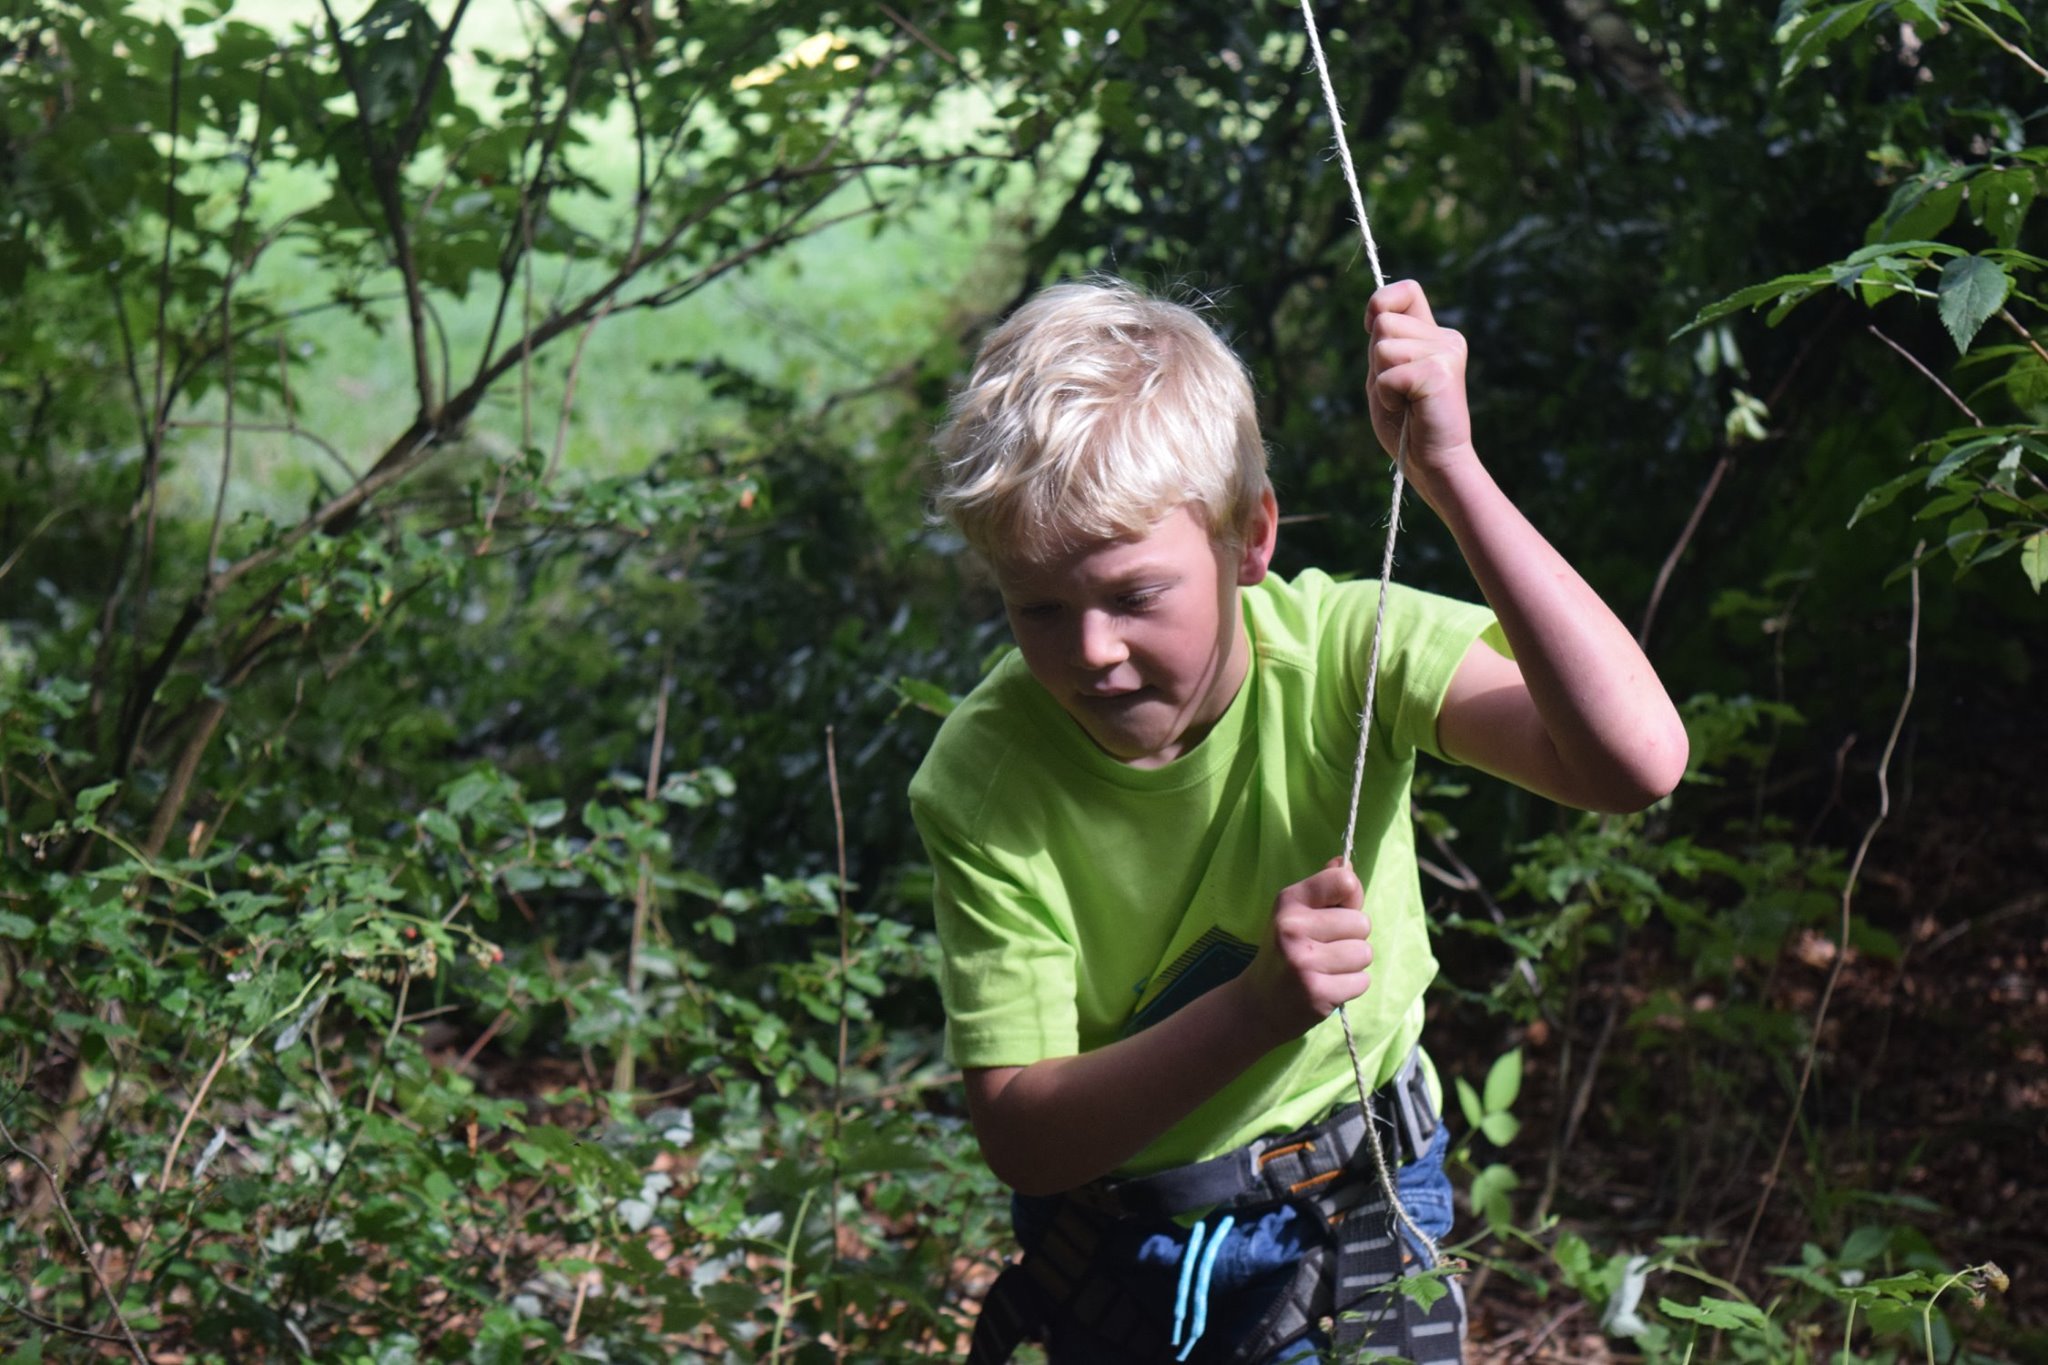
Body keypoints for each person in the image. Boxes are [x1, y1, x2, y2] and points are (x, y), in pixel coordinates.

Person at [909, 277, 1687, 1364]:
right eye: (1037, 606)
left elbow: (1633, 762)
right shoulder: (987, 778)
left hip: (1357, 1204)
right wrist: (1253, 1012)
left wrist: (1451, 473)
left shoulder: (1340, 654)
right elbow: (1024, 1136)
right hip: (1113, 1254)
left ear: (1249, 539)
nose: (1090, 651)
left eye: (1134, 596)